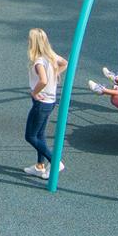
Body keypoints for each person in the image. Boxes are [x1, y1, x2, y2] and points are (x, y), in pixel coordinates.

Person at [24, 28, 68, 180]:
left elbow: (43, 80)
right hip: (50, 101)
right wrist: (55, 73)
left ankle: (55, 162)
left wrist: (35, 93)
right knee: (40, 134)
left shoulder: (38, 61)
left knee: (30, 136)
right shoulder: (50, 56)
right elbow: (64, 63)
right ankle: (40, 166)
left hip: (41, 102)